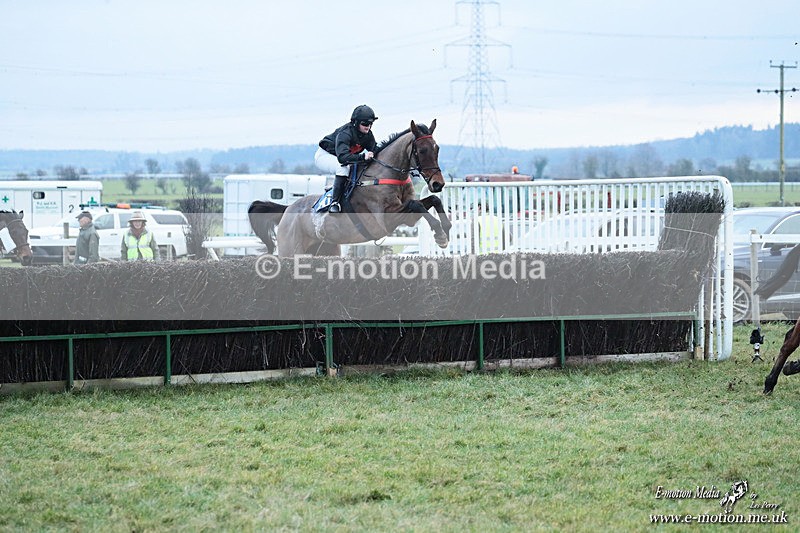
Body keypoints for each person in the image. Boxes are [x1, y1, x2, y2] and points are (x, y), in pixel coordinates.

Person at [315, 104, 379, 213]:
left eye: (370, 124)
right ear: (356, 123)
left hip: (342, 158)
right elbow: (343, 158)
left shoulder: (368, 135)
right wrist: (363, 156)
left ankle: (336, 188)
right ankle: (335, 203)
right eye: (365, 123)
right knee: (342, 168)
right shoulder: (345, 133)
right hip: (324, 156)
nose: (368, 126)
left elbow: (375, 149)